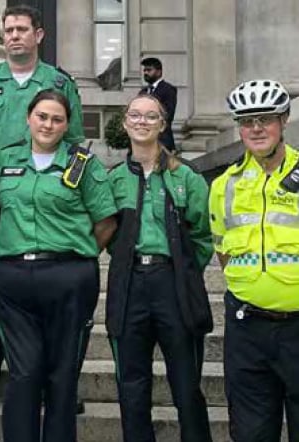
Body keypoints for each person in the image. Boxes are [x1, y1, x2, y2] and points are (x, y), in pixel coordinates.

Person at [0, 3, 86, 409]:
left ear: (39, 35)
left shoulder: (59, 82)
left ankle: (55, 383)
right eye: (9, 29)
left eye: (21, 29)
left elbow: (74, 146)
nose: (14, 35)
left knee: (48, 302)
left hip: (44, 209)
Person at [0, 89, 117, 442]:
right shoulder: (4, 159)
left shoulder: (82, 163)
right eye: (42, 116)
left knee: (62, 377)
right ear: (29, 118)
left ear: (66, 125)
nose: (48, 124)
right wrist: (13, 243)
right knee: (24, 372)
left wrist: (76, 252)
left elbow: (105, 220)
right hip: (13, 279)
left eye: (57, 119)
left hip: (69, 279)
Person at [107, 94, 213, 442]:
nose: (142, 122)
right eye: (134, 115)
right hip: (131, 284)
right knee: (132, 385)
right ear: (125, 123)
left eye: (150, 116)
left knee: (186, 384)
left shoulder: (186, 177)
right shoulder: (113, 179)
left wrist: (183, 270)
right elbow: (107, 231)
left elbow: (201, 234)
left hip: (173, 284)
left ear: (162, 124)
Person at [210, 79, 299, 441]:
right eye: (247, 121)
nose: (256, 128)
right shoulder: (224, 185)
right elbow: (222, 251)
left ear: (284, 120)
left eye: (265, 118)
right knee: (249, 433)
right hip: (247, 330)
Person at [139, 57, 178, 151]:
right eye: (144, 70)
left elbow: (168, 114)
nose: (145, 73)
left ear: (159, 72)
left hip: (162, 140)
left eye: (149, 70)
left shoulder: (168, 89)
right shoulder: (142, 92)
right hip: (144, 141)